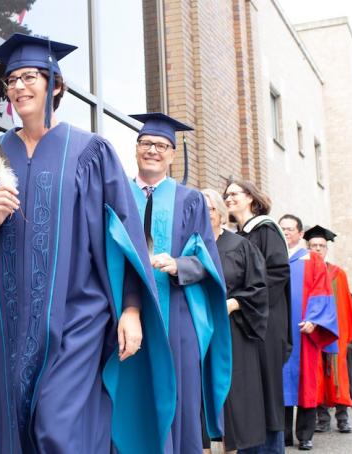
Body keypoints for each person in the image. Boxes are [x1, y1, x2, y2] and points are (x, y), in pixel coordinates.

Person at [0, 34, 174, 454]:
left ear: (56, 86)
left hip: (77, 318)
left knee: (57, 427)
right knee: (15, 430)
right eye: (11, 79)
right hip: (7, 324)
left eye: (30, 76)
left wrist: (132, 309)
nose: (18, 86)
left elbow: (125, 237)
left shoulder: (90, 153)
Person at [128, 113, 231, 453]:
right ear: (136, 149)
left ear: (172, 154)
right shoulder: (119, 194)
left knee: (180, 397)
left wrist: (177, 264)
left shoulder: (190, 200)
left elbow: (207, 262)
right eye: (146, 144)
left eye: (161, 145)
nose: (153, 150)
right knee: (132, 396)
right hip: (126, 311)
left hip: (176, 310)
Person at [224, 180, 290, 453]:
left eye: (234, 194)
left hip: (265, 323)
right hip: (245, 320)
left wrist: (245, 301)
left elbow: (277, 273)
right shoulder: (238, 236)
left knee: (265, 388)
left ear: (250, 197)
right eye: (226, 194)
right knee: (249, 389)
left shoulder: (266, 230)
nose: (228, 198)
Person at [202, 188, 269, 452]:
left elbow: (259, 288)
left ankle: (231, 448)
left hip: (232, 328)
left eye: (208, 209)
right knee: (198, 394)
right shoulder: (187, 246)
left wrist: (232, 303)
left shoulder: (240, 246)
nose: (203, 214)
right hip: (198, 329)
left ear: (220, 214)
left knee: (233, 395)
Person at [278, 215, 338, 451]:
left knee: (306, 383)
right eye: (282, 229)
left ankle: (305, 435)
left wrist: (314, 319)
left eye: (290, 229)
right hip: (280, 332)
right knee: (280, 382)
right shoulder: (273, 257)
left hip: (304, 331)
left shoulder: (312, 260)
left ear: (301, 233)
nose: (286, 233)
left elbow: (321, 292)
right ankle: (282, 436)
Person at [305, 225, 352, 434]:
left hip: (336, 334)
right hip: (314, 333)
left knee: (339, 375)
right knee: (317, 376)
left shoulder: (339, 274)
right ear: (308, 248)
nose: (317, 249)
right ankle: (322, 418)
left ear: (326, 249)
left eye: (321, 245)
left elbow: (347, 304)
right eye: (313, 245)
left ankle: (342, 417)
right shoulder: (304, 273)